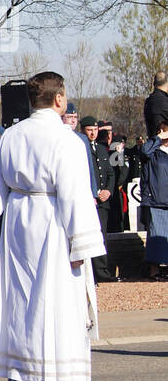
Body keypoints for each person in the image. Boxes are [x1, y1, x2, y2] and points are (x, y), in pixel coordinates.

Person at [0, 72, 105, 381]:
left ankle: (19, 378)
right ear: (59, 99)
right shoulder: (67, 140)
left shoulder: (9, 136)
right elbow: (75, 195)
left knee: (19, 301)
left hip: (18, 222)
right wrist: (81, 245)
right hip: (53, 222)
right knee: (53, 304)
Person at [81, 115, 116, 283]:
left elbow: (110, 173)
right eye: (89, 130)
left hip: (103, 201)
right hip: (88, 200)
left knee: (102, 236)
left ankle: (102, 271)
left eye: (95, 130)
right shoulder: (80, 148)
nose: (93, 133)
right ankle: (91, 274)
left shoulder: (101, 149)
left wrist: (108, 191)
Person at [141, 116, 168, 277]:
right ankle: (154, 270)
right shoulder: (152, 151)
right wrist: (159, 138)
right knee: (156, 234)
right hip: (155, 199)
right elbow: (144, 151)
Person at [144, 71, 168, 143]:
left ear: (154, 84)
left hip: (153, 144)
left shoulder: (149, 101)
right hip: (164, 146)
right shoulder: (164, 101)